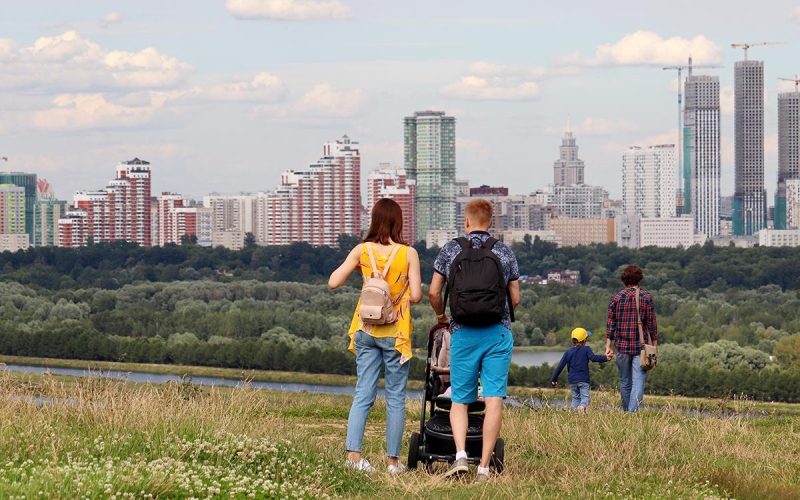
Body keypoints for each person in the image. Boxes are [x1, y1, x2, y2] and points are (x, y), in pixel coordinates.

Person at [428, 199, 520, 483]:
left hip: (463, 332)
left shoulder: (450, 249)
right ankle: (483, 467)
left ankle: (459, 456)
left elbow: (433, 292)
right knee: (493, 398)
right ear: (491, 222)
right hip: (497, 333)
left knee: (460, 399)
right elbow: (515, 298)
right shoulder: (504, 251)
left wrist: (442, 317)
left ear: (466, 222)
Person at [328, 198, 423, 473]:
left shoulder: (362, 250)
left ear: (374, 220)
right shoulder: (408, 253)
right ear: (398, 222)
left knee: (363, 393)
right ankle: (393, 462)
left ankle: (354, 457)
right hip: (395, 333)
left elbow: (333, 282)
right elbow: (417, 295)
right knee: (395, 397)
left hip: (365, 329)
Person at [605, 265, 658, 413]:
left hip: (622, 346)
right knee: (638, 380)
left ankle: (626, 412)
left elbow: (611, 325)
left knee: (625, 381)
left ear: (624, 280)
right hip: (641, 347)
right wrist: (654, 345)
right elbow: (652, 324)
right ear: (639, 279)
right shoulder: (646, 297)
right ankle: (632, 413)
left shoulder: (616, 298)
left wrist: (608, 346)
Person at [550, 327, 610, 412]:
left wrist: (554, 378)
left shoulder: (568, 352)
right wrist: (605, 358)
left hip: (572, 380)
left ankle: (576, 413)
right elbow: (593, 358)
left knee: (575, 398)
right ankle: (582, 407)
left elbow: (560, 366)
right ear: (584, 340)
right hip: (583, 379)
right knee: (585, 397)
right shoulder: (586, 349)